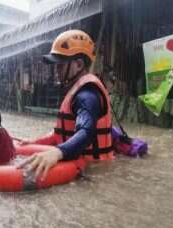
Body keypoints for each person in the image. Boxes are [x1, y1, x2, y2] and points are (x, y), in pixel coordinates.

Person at [18, 30, 113, 180]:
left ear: (79, 64)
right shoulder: (78, 90)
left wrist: (57, 152)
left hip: (93, 172)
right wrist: (34, 142)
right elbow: (60, 133)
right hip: (81, 164)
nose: (57, 71)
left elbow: (86, 133)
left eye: (60, 66)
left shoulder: (87, 95)